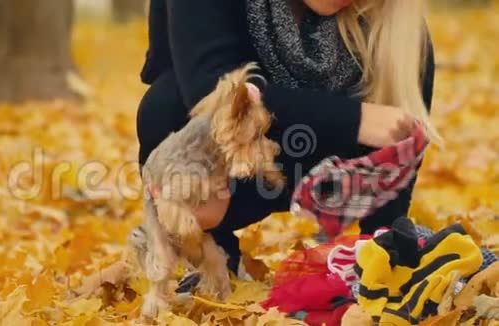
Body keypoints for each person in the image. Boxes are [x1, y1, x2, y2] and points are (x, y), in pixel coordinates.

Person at [136, 0, 439, 273]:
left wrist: (386, 243)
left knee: (404, 48)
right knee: (164, 105)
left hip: (328, 172)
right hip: (235, 165)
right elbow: (208, 88)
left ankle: (372, 250)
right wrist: (356, 118)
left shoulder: (394, 21)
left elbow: (400, 135)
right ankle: (212, 257)